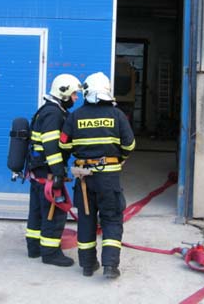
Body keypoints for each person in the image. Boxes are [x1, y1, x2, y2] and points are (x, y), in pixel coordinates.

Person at [59, 71, 135, 279]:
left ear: (87, 92)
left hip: (84, 178)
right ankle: (110, 266)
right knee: (111, 219)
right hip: (108, 178)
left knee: (86, 220)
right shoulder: (117, 115)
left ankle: (87, 265)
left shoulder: (75, 116)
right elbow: (129, 144)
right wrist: (119, 158)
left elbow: (63, 144)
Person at [25, 73, 82, 266]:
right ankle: (50, 254)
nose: (76, 98)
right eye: (74, 94)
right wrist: (58, 172)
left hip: (38, 172)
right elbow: (51, 146)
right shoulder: (54, 114)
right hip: (48, 172)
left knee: (37, 212)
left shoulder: (47, 110)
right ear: (63, 92)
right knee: (54, 212)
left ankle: (34, 248)